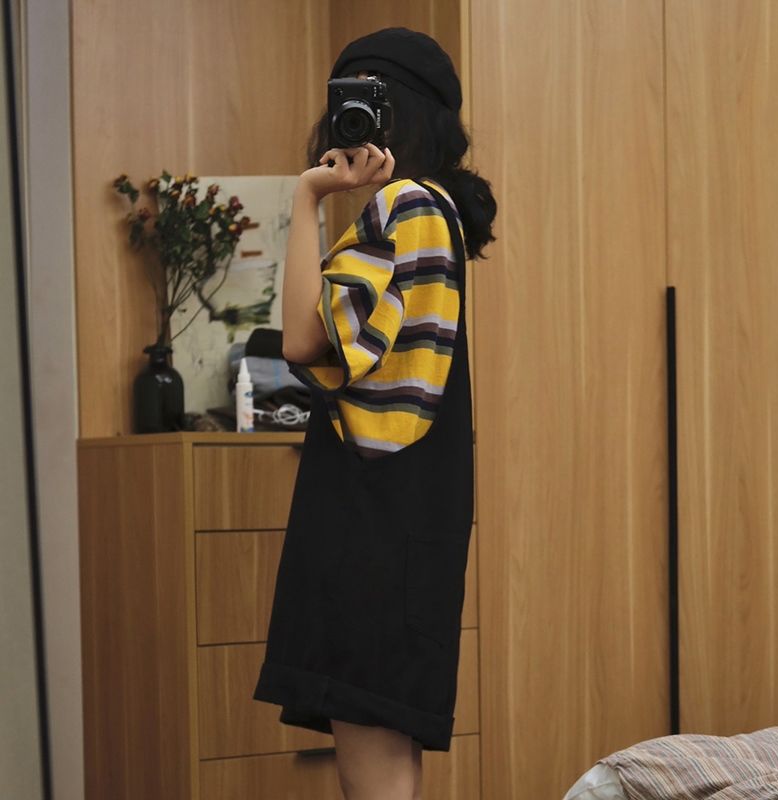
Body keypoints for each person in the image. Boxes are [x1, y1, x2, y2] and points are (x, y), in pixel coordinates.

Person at [252, 26, 497, 800]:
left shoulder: (406, 203)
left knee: (376, 772)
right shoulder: (432, 209)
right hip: (404, 516)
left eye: (368, 101)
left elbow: (301, 340)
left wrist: (306, 198)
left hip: (373, 524)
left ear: (404, 116)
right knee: (385, 762)